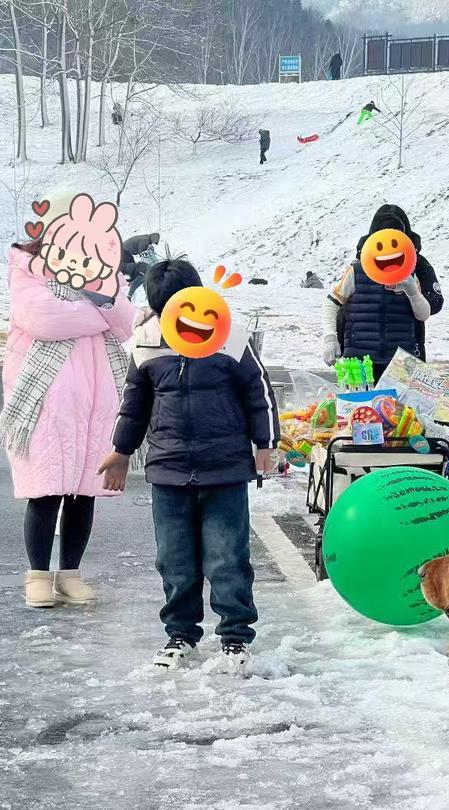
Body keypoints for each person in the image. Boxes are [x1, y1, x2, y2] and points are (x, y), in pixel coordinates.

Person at [100, 259, 279, 672]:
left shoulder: (229, 336)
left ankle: (235, 638)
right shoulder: (147, 343)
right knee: (174, 559)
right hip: (169, 470)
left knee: (227, 558)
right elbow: (133, 406)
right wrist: (121, 451)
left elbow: (259, 392)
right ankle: (180, 635)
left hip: (225, 470)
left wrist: (266, 444)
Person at [0, 196, 135, 609]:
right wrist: (98, 308)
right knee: (46, 489)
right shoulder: (27, 269)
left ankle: (70, 573)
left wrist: (95, 303)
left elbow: (126, 322)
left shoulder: (105, 271)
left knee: (85, 492)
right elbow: (44, 319)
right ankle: (37, 574)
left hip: (96, 397)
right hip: (46, 396)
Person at [322, 204, 443, 370]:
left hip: (399, 361)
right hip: (359, 362)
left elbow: (424, 313)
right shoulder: (356, 271)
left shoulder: (412, 271)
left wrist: (413, 292)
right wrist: (330, 337)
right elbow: (332, 302)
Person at [121, 232, 160, 300]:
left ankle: (130, 279)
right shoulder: (145, 240)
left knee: (130, 265)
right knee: (127, 266)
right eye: (154, 242)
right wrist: (147, 252)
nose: (153, 244)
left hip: (125, 251)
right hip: (124, 251)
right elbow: (141, 251)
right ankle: (128, 280)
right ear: (153, 239)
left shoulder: (145, 238)